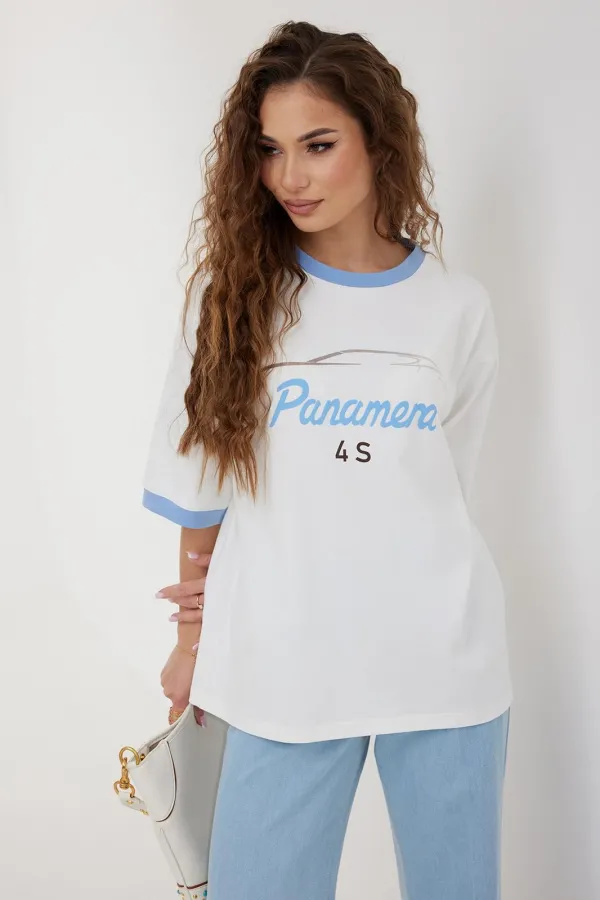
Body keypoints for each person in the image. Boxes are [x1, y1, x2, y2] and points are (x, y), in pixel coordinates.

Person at [142, 19, 512, 900]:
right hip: (282, 662)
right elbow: (200, 488)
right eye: (270, 151)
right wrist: (192, 642)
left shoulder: (457, 307)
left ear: (379, 142)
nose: (290, 178)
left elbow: (449, 486)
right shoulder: (234, 301)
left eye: (318, 145)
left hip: (443, 659)